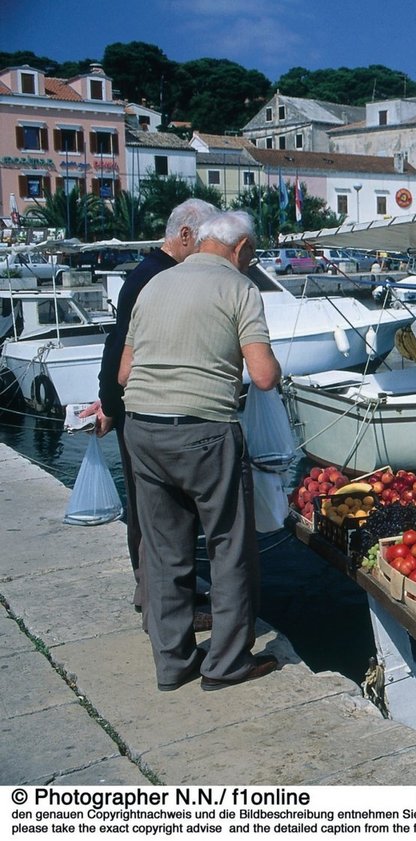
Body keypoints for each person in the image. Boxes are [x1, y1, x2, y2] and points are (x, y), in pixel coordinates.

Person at [119, 210, 282, 692]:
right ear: (242, 248)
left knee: (165, 551)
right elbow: (265, 375)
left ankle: (173, 664)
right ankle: (226, 664)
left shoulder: (155, 285)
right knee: (229, 547)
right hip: (205, 430)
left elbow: (126, 373)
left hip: (142, 429)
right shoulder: (240, 289)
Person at [81, 199, 217, 629]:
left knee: (157, 512)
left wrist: (107, 402)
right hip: (143, 411)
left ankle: (165, 594)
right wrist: (111, 405)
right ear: (185, 235)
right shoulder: (155, 278)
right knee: (155, 515)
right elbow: (121, 348)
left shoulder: (148, 274)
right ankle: (158, 602)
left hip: (136, 409)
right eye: (206, 237)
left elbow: (116, 343)